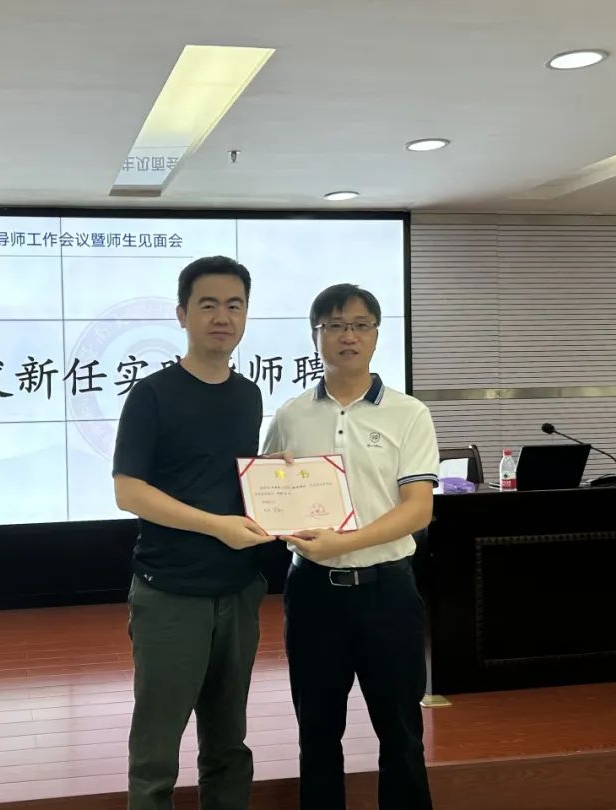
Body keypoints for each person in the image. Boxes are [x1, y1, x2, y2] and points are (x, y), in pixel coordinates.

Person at [262, 283, 439, 810]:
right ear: (315, 336)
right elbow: (266, 494)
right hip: (313, 594)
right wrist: (275, 501)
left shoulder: (408, 413)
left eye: (360, 326)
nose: (348, 336)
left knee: (401, 732)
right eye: (335, 326)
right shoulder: (291, 414)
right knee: (316, 733)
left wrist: (346, 541)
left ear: (377, 336)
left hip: (388, 591)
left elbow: (417, 509)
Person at [112, 255, 277, 810]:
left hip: (239, 590)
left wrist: (286, 488)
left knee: (228, 745)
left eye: (234, 305)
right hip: (170, 595)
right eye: (208, 305)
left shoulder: (248, 395)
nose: (222, 317)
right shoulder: (152, 394)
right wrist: (216, 527)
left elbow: (233, 479)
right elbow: (129, 492)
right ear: (182, 314)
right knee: (156, 754)